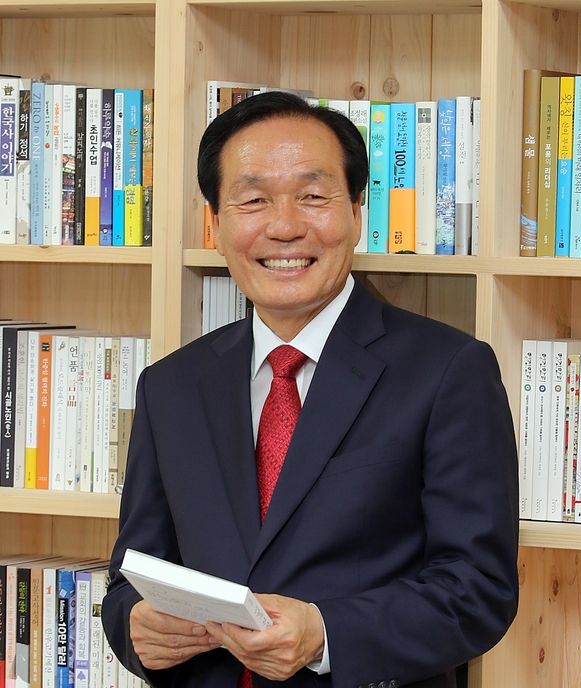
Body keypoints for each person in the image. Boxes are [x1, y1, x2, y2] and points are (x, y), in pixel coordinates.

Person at [102, 91, 519, 688]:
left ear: (356, 212)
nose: (285, 227)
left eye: (313, 197)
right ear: (216, 225)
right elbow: (131, 575)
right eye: (253, 200)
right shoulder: (171, 385)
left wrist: (327, 633)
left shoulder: (450, 371)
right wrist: (134, 626)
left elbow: (479, 589)